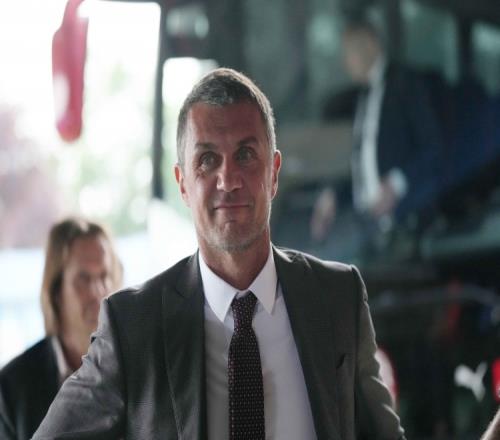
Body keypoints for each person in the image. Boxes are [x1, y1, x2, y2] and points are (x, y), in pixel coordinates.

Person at [33, 68, 405, 439]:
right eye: (208, 159)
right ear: (182, 183)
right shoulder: (133, 326)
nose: (228, 180)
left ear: (274, 173)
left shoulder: (338, 297)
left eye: (245, 154)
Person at [311, 21, 442, 256]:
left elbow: (433, 146)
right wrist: (332, 195)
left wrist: (396, 184)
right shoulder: (360, 96)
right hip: (364, 224)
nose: (345, 62)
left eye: (350, 52)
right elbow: (361, 161)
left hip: (405, 225)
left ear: (371, 46)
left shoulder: (405, 85)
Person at [0, 216, 122, 440]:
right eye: (83, 278)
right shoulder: (11, 389)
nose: (98, 292)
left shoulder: (135, 366)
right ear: (56, 290)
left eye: (104, 276)